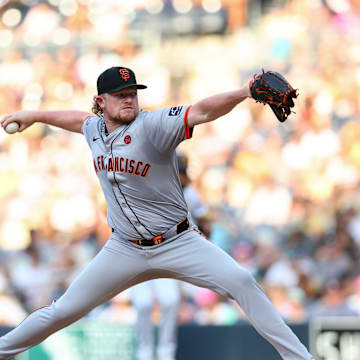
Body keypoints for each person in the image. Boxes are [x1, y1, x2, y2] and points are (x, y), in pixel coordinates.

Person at [0, 66, 314, 360]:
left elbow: (202, 110)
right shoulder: (94, 128)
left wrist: (244, 91)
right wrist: (36, 115)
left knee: (242, 282)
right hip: (124, 248)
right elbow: (76, 120)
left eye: (133, 93)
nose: (129, 99)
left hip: (178, 242)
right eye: (121, 95)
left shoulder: (152, 126)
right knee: (62, 310)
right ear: (101, 101)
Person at [129, 154, 208, 360]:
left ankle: (166, 353)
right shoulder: (146, 183)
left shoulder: (189, 194)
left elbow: (202, 222)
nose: (179, 176)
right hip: (137, 253)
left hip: (167, 254)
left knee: (170, 300)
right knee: (143, 303)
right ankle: (144, 354)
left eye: (181, 172)